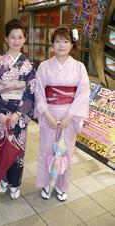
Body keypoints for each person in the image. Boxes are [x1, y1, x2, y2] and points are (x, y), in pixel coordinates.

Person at [0, 19, 35, 199]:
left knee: (16, 148)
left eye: (20, 37)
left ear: (25, 39)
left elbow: (30, 92)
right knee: (1, 146)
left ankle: (14, 182)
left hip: (19, 115)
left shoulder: (28, 65)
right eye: (13, 37)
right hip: (0, 112)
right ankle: (2, 179)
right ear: (6, 38)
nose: (16, 41)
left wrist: (18, 113)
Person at [35, 26, 90, 201]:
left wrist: (70, 116)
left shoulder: (79, 67)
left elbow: (83, 93)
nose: (61, 45)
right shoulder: (44, 66)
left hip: (70, 116)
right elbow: (38, 92)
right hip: (49, 114)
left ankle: (61, 185)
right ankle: (46, 184)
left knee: (66, 151)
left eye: (66, 41)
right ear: (52, 44)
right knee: (46, 149)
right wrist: (47, 115)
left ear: (72, 44)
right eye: (57, 41)